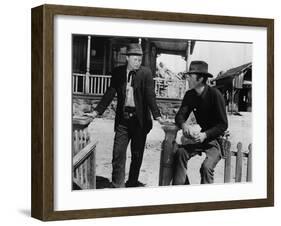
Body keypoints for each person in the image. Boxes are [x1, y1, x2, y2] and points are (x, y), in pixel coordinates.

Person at [85, 43, 164, 188]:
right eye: (135, 59)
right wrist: (96, 111)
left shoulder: (145, 73)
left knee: (137, 155)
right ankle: (117, 185)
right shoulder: (118, 72)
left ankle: (132, 183)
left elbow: (150, 96)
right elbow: (110, 93)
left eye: (140, 59)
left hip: (140, 122)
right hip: (123, 120)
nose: (138, 62)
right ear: (127, 58)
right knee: (118, 154)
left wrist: (157, 115)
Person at [173, 60, 228, 184]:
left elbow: (223, 124)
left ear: (200, 78)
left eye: (190, 76)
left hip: (214, 140)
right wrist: (183, 125)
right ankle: (179, 191)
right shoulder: (190, 95)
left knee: (206, 167)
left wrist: (206, 135)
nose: (187, 78)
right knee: (180, 154)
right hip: (197, 138)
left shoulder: (215, 95)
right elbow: (179, 116)